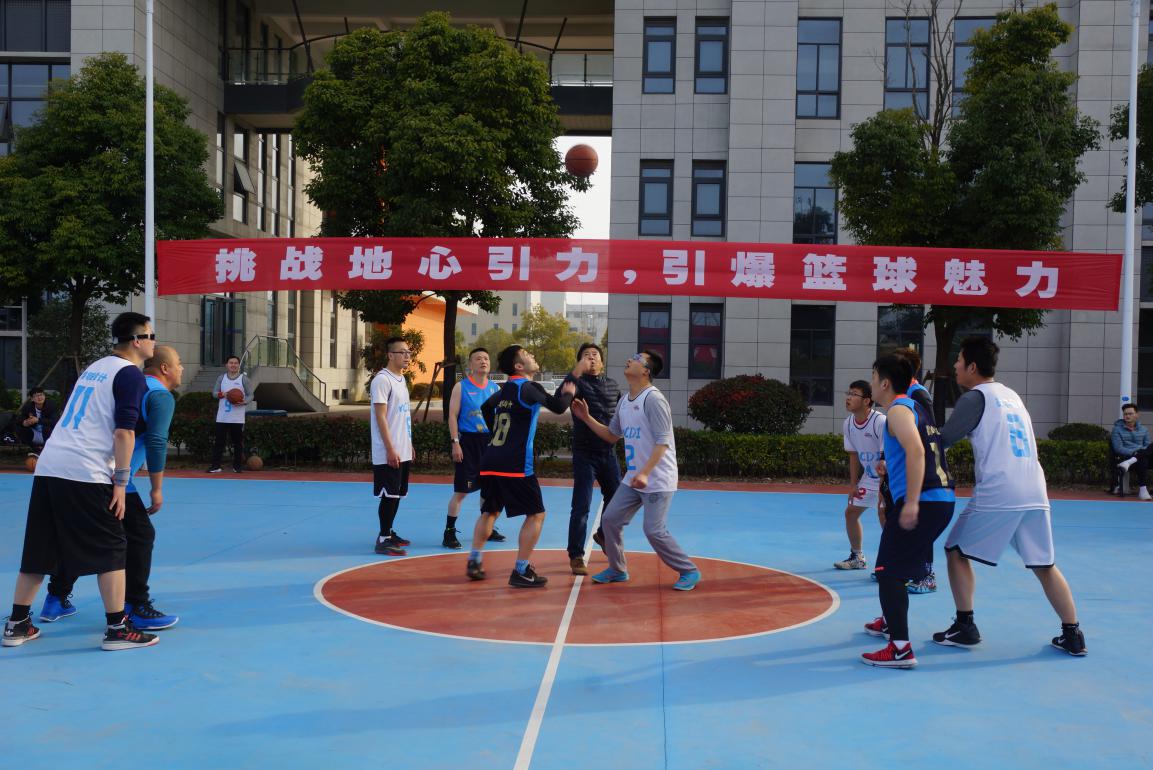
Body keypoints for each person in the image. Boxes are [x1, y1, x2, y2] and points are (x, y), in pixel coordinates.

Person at [3, 312, 160, 651]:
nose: (154, 342)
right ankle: (117, 629)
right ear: (136, 341)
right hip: (85, 469)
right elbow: (124, 432)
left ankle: (17, 624)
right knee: (113, 547)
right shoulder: (131, 375)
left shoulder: (95, 367)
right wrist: (121, 483)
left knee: (40, 549)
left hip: (51, 464)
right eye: (150, 336)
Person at [933, 336, 1087, 656]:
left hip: (1000, 489)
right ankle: (1073, 634)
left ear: (972, 367)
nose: (955, 366)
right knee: (1044, 564)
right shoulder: (1011, 395)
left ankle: (965, 626)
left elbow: (943, 439)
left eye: (959, 360)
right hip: (1034, 488)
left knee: (955, 550)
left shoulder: (975, 398)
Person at [40, 346, 184, 631]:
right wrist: (156, 488)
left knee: (80, 535)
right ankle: (135, 606)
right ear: (165, 368)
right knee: (140, 535)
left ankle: (55, 598)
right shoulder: (160, 396)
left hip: (76, 469)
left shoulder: (127, 383)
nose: (181, 368)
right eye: (178, 363)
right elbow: (156, 442)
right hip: (110, 477)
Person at [574, 350, 701, 592]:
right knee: (610, 520)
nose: (629, 359)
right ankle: (617, 569)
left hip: (658, 478)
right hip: (633, 479)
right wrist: (587, 418)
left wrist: (645, 473)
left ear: (645, 371)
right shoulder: (625, 401)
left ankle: (688, 570)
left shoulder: (653, 400)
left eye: (637, 358)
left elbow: (663, 441)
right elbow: (612, 435)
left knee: (653, 530)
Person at [860, 353, 955, 669]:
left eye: (874, 378)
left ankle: (900, 648)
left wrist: (912, 502)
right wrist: (891, 465)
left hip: (924, 500)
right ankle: (892, 625)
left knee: (888, 571)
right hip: (940, 499)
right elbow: (915, 450)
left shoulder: (898, 410)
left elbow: (915, 451)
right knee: (895, 570)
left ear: (885, 383)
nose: (871, 383)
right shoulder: (914, 408)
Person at [467, 345, 579, 588]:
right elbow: (559, 406)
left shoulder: (505, 389)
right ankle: (521, 570)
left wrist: (497, 433)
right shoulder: (529, 387)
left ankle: (474, 559)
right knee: (536, 514)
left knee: (490, 511)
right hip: (515, 463)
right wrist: (569, 393)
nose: (532, 355)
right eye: (527, 354)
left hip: (491, 457)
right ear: (519, 366)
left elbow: (485, 408)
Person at [560, 343, 621, 575]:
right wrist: (576, 372)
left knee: (617, 499)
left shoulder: (613, 385)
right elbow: (560, 398)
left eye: (595, 355)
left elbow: (622, 413)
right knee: (582, 505)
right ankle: (576, 555)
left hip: (608, 452)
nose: (591, 358)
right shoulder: (577, 384)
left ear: (602, 362)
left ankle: (603, 534)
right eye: (586, 356)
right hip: (585, 453)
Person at [443, 347, 506, 549]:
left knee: (488, 489)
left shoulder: (495, 389)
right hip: (468, 443)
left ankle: (487, 527)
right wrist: (455, 442)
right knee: (462, 491)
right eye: (478, 358)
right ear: (471, 364)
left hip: (489, 443)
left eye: (486, 358)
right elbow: (452, 416)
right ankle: (449, 532)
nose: (483, 361)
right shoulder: (461, 387)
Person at [834, 380, 886, 571]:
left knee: (884, 516)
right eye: (848, 393)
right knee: (851, 512)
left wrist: (883, 488)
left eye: (854, 394)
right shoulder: (848, 423)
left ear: (866, 401)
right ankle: (857, 557)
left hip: (888, 477)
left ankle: (890, 562)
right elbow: (853, 455)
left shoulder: (880, 421)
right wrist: (853, 485)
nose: (848, 398)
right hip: (870, 477)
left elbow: (886, 456)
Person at [370, 337, 414, 556]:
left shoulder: (401, 379)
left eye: (408, 352)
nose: (407, 356)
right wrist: (390, 448)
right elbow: (381, 417)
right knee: (389, 495)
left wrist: (409, 444)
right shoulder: (382, 380)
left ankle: (389, 531)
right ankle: (383, 538)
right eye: (402, 352)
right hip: (388, 450)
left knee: (397, 494)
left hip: (402, 448)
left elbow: (402, 416)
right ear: (390, 355)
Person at [207, 355, 252, 473]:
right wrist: (222, 394)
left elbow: (251, 395)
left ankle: (237, 467)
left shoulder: (243, 379)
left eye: (235, 363)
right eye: (231, 363)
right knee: (219, 443)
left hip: (237, 418)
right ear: (227, 365)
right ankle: (215, 466)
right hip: (222, 417)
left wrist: (245, 401)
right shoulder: (221, 378)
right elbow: (214, 393)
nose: (233, 365)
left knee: (238, 444)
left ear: (239, 365)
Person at [1110, 404, 1151, 500]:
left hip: (1138, 457)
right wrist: (1135, 452)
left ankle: (1135, 459)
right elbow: (1118, 448)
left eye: (1130, 414)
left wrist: (1139, 453)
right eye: (1125, 414)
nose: (1127, 416)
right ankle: (1143, 490)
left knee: (1146, 452)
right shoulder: (1117, 430)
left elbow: (1148, 445)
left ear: (1137, 415)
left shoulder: (1144, 429)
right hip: (1126, 457)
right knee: (1142, 459)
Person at [16, 387, 58, 455]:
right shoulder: (28, 407)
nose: (39, 397)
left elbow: (54, 422)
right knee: (18, 428)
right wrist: (25, 422)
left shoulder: (51, 405)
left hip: (48, 434)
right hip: (34, 433)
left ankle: (45, 448)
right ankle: (35, 448)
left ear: (44, 396)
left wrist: (38, 420)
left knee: (50, 428)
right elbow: (19, 419)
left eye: (41, 395)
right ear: (32, 399)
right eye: (36, 396)